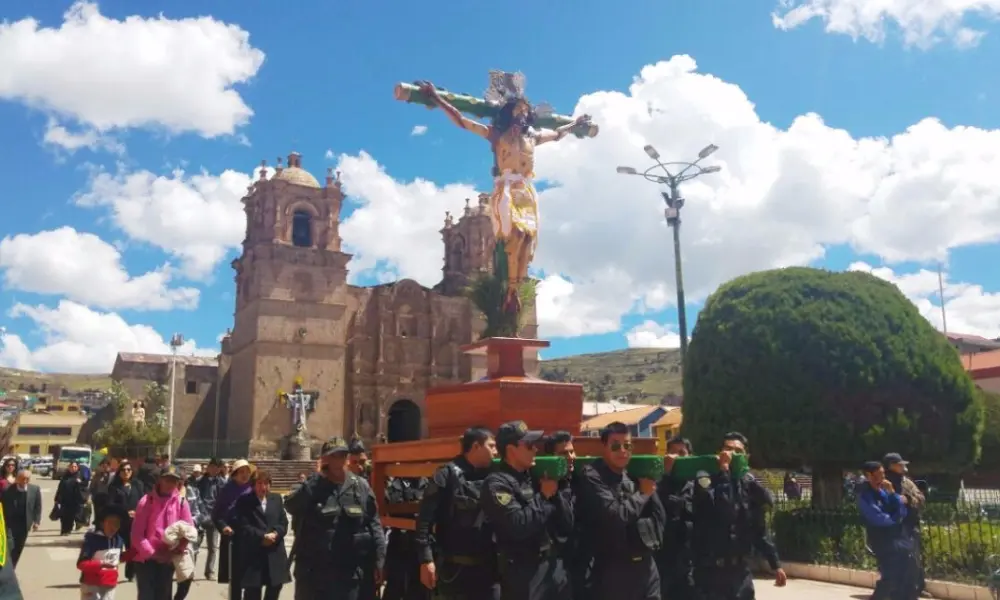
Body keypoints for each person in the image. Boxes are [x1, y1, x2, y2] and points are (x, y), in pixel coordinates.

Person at [418, 75, 591, 313]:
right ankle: (510, 288)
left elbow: (558, 134)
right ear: (509, 114)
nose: (521, 114)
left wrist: (575, 124)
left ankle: (513, 291)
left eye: (524, 111)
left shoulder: (533, 137)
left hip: (526, 191)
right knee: (515, 232)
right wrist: (436, 98)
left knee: (528, 240)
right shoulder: (496, 135)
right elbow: (461, 121)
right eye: (517, 110)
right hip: (506, 188)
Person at [480, 420, 572, 600]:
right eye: (529, 445)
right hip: (524, 572)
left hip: (553, 566)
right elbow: (518, 525)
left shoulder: (535, 477)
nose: (535, 450)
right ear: (511, 450)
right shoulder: (497, 484)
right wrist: (544, 497)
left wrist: (556, 493)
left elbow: (566, 524)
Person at [285, 436, 386, 600]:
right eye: (334, 455)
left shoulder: (360, 486)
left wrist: (380, 560)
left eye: (342, 455)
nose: (339, 460)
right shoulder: (313, 485)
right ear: (325, 459)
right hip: (315, 575)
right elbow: (291, 505)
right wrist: (316, 479)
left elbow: (374, 525)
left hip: (348, 574)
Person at [689, 432, 787, 600]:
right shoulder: (705, 479)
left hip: (740, 573)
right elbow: (723, 507)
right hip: (711, 574)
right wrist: (724, 472)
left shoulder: (748, 484)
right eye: (728, 449)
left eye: (738, 451)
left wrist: (775, 564)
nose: (732, 454)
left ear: (746, 457)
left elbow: (759, 529)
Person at [577, 421, 664, 600]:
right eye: (616, 445)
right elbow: (615, 516)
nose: (623, 450)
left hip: (646, 566)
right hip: (614, 569)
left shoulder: (634, 475)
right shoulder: (593, 476)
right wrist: (643, 493)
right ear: (604, 446)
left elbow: (659, 516)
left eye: (628, 445)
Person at [414, 426, 498, 600]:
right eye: (491, 446)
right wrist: (426, 560)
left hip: (488, 571)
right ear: (476, 446)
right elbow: (424, 521)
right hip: (456, 571)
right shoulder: (446, 476)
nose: (496, 452)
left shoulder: (494, 476)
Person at [858, 461, 919, 600]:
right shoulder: (865, 495)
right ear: (869, 475)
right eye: (879, 474)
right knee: (891, 573)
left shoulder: (884, 492)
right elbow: (880, 518)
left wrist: (892, 493)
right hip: (881, 538)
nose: (883, 477)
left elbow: (902, 510)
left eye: (883, 474)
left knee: (909, 569)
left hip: (897, 536)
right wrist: (896, 517)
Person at [131, 466, 193, 600]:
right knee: (147, 596)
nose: (170, 484)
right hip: (146, 560)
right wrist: (153, 553)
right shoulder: (146, 501)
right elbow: (137, 535)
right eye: (167, 480)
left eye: (174, 481)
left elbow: (189, 531)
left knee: (164, 595)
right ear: (159, 480)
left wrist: (178, 549)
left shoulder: (182, 502)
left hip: (168, 559)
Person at [233, 469, 291, 600]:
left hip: (274, 553)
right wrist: (261, 536)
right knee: (252, 592)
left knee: (274, 589)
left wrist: (276, 533)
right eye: (259, 483)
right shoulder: (244, 501)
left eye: (266, 483)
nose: (263, 487)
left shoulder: (276, 499)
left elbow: (283, 522)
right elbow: (243, 526)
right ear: (253, 485)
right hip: (254, 554)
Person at [880, 453, 926, 599]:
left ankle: (913, 590)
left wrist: (909, 499)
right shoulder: (883, 482)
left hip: (911, 526)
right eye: (899, 464)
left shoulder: (906, 482)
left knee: (914, 560)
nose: (903, 467)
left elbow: (920, 498)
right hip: (893, 528)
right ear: (891, 465)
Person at [656, 436, 695, 600]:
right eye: (672, 453)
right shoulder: (657, 482)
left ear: (690, 457)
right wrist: (664, 474)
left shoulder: (698, 484)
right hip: (662, 561)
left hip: (689, 563)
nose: (676, 458)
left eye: (681, 453)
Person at [212, 459, 255, 600]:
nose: (245, 475)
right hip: (233, 537)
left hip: (251, 537)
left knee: (252, 579)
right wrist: (223, 526)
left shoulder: (253, 488)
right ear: (235, 474)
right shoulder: (226, 490)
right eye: (241, 472)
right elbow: (216, 514)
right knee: (235, 579)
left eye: (247, 472)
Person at [78, 504, 131, 600]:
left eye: (117, 524)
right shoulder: (92, 540)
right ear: (102, 523)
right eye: (110, 523)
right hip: (91, 585)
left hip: (110, 584)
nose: (113, 527)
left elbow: (117, 558)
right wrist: (101, 564)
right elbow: (81, 564)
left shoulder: (118, 540)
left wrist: (133, 553)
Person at [108, 461, 145, 582]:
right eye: (123, 470)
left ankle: (130, 574)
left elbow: (143, 501)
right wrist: (125, 512)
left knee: (132, 549)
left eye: (129, 470)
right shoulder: (114, 487)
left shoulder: (137, 485)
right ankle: (112, 573)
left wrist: (138, 512)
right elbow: (110, 505)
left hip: (134, 523)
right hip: (119, 523)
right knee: (116, 549)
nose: (126, 472)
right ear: (119, 473)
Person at [174, 474, 209, 600]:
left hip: (187, 541)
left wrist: (188, 523)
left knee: (186, 578)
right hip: (167, 542)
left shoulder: (193, 492)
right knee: (164, 582)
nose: (178, 482)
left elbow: (202, 513)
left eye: (180, 479)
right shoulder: (165, 493)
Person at [1, 469, 41, 566]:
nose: (25, 481)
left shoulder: (34, 489)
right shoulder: (8, 490)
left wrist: (36, 521)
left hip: (24, 524)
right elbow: (2, 506)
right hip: (10, 523)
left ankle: (12, 566)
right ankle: (6, 566)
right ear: (17, 479)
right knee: (9, 546)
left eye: (27, 479)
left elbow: (37, 507)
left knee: (19, 547)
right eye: (22, 479)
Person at [196, 457, 226, 580]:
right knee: (195, 546)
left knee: (213, 547)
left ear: (219, 469)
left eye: (216, 467)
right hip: (201, 516)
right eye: (211, 466)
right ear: (208, 467)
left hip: (214, 517)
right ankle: (190, 571)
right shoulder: (200, 481)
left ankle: (209, 571)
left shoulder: (221, 482)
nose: (213, 469)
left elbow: (223, 499)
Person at [55, 461, 86, 535]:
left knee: (70, 516)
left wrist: (80, 483)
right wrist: (56, 498)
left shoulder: (79, 476)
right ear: (69, 468)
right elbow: (60, 488)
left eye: (75, 467)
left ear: (77, 468)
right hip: (64, 499)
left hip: (74, 500)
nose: (73, 468)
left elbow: (85, 486)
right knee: (63, 516)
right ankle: (63, 530)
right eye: (72, 467)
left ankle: (68, 530)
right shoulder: (65, 476)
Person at [90, 459, 114, 527]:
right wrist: (91, 496)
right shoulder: (97, 475)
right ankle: (98, 527)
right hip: (98, 496)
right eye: (103, 466)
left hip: (108, 497)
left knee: (106, 514)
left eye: (106, 466)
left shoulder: (112, 475)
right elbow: (92, 486)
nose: (105, 468)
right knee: (98, 513)